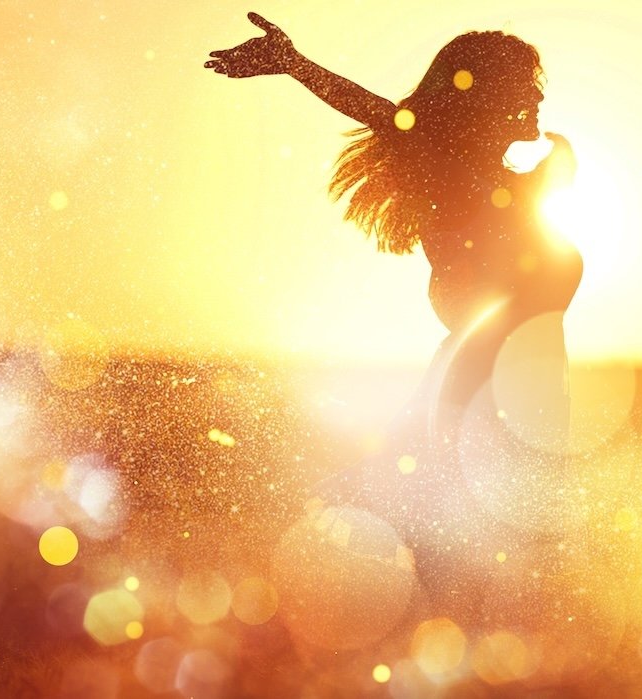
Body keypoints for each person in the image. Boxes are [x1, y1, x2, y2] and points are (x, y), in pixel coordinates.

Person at [205, 14, 583, 548]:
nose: (538, 96)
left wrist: (554, 171)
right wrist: (295, 65)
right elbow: (387, 117)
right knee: (478, 558)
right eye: (526, 85)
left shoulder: (514, 189)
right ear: (491, 97)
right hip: (484, 399)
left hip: (527, 397)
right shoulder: (453, 176)